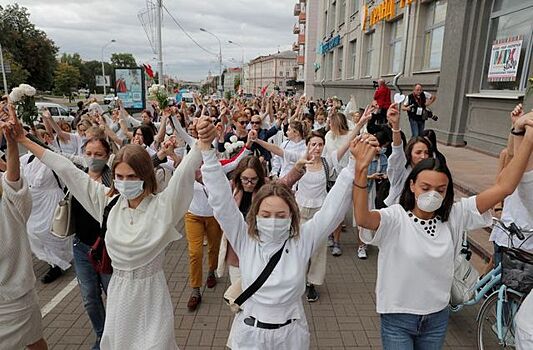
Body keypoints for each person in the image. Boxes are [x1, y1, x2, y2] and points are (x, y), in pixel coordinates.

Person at [15, 115, 216, 349]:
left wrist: (203, 140)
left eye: (132, 177)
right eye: (119, 176)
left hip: (152, 295)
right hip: (119, 294)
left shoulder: (164, 206)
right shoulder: (106, 202)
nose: (124, 182)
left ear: (145, 177)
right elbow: (66, 168)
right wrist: (23, 139)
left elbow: (185, 172)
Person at [352, 109, 533, 349]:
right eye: (426, 187)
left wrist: (525, 135)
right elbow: (363, 218)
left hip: (436, 318)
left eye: (441, 189)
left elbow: (504, 187)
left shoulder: (455, 215)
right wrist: (360, 171)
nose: (433, 194)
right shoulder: (396, 217)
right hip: (398, 318)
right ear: (412, 185)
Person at [197, 120, 363, 350]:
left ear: (291, 217)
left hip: (291, 336)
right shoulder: (245, 239)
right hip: (250, 336)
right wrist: (207, 152)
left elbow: (331, 212)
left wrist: (354, 165)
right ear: (255, 216)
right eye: (266, 214)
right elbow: (221, 202)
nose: (272, 220)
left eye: (280, 214)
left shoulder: (302, 239)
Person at [0, 102, 48, 350]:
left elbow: (14, 181)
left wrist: (11, 143)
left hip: (12, 293)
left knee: (33, 339)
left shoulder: (6, 189)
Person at [384, 104, 432, 206]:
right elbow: (397, 151)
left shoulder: (431, 173)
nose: (423, 156)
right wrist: (395, 126)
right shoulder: (400, 172)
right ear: (409, 153)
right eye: (418, 152)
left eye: (426, 152)